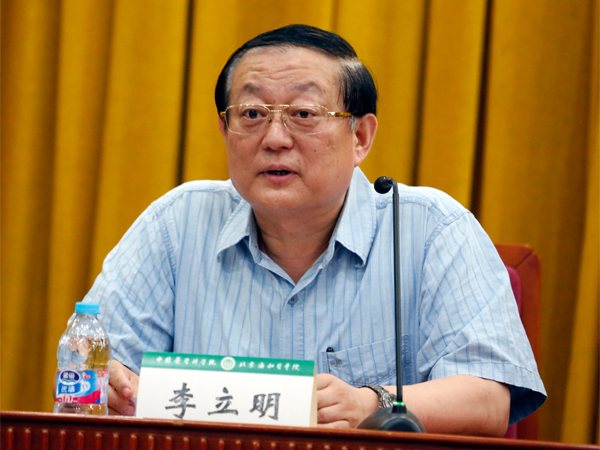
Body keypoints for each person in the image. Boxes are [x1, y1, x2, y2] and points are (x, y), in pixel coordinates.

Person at [83, 24, 546, 435]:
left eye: (304, 114)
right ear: (225, 131)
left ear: (361, 137)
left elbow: (489, 399)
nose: (274, 138)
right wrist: (110, 385)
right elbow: (89, 365)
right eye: (251, 114)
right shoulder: (177, 223)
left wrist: (370, 404)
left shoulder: (431, 229)